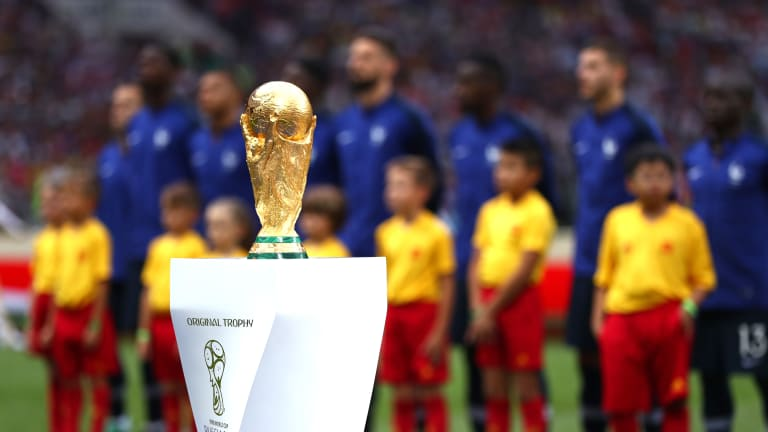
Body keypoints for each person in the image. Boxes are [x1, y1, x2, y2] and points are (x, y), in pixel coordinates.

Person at [449, 52, 557, 431]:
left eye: (468, 82)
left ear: (492, 87)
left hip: (516, 289)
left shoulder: (520, 133)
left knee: (526, 377)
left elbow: (547, 191)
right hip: (474, 268)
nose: (459, 90)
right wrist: (478, 303)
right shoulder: (458, 133)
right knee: (480, 370)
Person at [565, 40, 665, 432]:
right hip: (588, 260)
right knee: (587, 357)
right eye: (581, 66)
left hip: (632, 264)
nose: (582, 74)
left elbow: (662, 191)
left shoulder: (637, 126)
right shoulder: (579, 128)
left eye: (593, 66)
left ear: (618, 73)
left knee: (639, 358)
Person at [591, 146, 716, 432]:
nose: (654, 183)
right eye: (646, 176)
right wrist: (598, 320)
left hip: (668, 316)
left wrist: (688, 309)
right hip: (623, 317)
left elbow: (704, 278)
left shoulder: (688, 224)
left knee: (674, 400)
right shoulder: (617, 220)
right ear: (630, 183)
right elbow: (604, 276)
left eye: (661, 176)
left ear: (673, 181)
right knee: (621, 404)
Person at [684, 68, 768, 432]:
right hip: (705, 295)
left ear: (745, 104)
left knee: (763, 378)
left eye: (722, 97)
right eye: (708, 96)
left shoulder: (759, 157)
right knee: (712, 385)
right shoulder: (693, 157)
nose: (712, 104)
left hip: (751, 295)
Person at [125, 43, 196, 429]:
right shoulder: (135, 123)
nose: (145, 68)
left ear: (174, 72)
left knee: (184, 351)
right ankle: (156, 422)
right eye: (142, 62)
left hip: (182, 250)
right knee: (148, 350)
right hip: (144, 243)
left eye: (155, 62)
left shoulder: (185, 122)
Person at [466, 139, 555, 431]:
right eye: (501, 166)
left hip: (519, 301)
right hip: (487, 303)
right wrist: (478, 309)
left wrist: (488, 311)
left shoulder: (538, 210)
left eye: (512, 167)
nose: (503, 173)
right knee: (493, 387)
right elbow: (476, 262)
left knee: (526, 385)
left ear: (533, 174)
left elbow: (525, 268)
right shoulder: (490, 210)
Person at [334, 28, 441, 259]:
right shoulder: (342, 122)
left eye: (366, 57)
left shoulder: (409, 119)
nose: (355, 64)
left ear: (390, 66)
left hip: (399, 249)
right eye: (353, 57)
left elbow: (433, 179)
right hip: (348, 245)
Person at [376, 156, 455, 432]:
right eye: (390, 185)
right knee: (400, 390)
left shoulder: (438, 232)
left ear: (422, 192)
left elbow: (447, 282)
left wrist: (439, 331)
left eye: (400, 185)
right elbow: (383, 280)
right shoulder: (385, 232)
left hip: (424, 315)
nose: (392, 192)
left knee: (429, 389)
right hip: (394, 315)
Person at [50, 166, 119, 432]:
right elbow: (57, 282)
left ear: (90, 202)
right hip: (64, 315)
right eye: (64, 196)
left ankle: (97, 425)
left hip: (88, 314)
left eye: (72, 196)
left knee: (96, 378)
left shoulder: (97, 234)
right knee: (68, 379)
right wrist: (52, 321)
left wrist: (95, 323)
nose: (66, 202)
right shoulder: (62, 234)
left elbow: (102, 281)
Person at [137, 182, 207, 432]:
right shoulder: (157, 246)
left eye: (176, 210)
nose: (170, 216)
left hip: (181, 323)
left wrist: (188, 333)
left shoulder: (196, 246)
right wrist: (143, 334)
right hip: (159, 324)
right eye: (166, 210)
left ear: (192, 214)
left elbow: (198, 293)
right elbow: (147, 291)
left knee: (190, 385)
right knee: (167, 385)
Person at [96, 82, 143, 431]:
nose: (118, 111)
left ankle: (158, 417)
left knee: (149, 345)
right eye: (115, 105)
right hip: (111, 265)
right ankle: (118, 415)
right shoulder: (107, 156)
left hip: (145, 262)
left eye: (127, 104)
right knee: (109, 345)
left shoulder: (152, 156)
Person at [28, 166, 68, 430]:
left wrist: (52, 322)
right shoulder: (42, 239)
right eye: (43, 202)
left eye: (52, 201)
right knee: (52, 373)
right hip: (43, 301)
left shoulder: (69, 238)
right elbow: (36, 281)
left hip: (59, 303)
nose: (46, 208)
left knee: (68, 373)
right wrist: (34, 320)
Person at [189, 70, 253, 212]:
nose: (206, 96)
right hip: (208, 223)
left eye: (215, 88)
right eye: (202, 91)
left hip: (248, 223)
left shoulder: (254, 138)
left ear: (236, 92)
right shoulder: (196, 140)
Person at [282, 57, 338, 187]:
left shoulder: (332, 131)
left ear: (317, 86)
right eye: (286, 78)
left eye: (296, 78)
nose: (288, 85)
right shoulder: (272, 130)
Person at [300, 185, 350, 258]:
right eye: (305, 215)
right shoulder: (301, 247)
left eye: (313, 217)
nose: (308, 222)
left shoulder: (337, 252)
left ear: (331, 221)